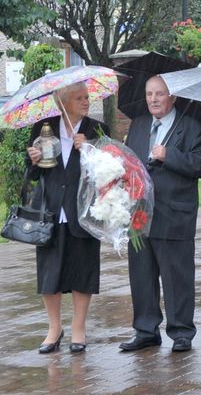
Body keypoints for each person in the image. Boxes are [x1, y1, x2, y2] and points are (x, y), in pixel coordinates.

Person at [120, 76, 201, 353]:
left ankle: (181, 332)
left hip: (175, 214)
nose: (153, 99)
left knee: (177, 277)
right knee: (141, 275)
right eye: (149, 94)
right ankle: (146, 330)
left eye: (160, 94)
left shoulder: (192, 125)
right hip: (140, 214)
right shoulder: (138, 124)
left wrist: (168, 154)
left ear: (172, 97)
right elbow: (130, 162)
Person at [26, 82, 109, 354]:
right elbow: (34, 173)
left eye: (87, 97)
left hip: (83, 211)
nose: (86, 102)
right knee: (49, 272)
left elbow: (108, 171)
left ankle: (78, 328)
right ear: (63, 102)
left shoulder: (97, 129)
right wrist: (33, 160)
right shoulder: (43, 127)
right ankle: (54, 329)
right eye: (79, 98)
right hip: (50, 211)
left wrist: (88, 148)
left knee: (82, 270)